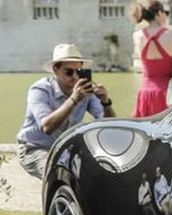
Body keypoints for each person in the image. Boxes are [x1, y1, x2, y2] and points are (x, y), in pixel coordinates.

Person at [15, 44, 115, 179]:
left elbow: (107, 125)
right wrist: (74, 99)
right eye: (69, 72)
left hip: (65, 148)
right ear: (56, 70)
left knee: (103, 169)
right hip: (34, 148)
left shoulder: (86, 91)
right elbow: (47, 127)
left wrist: (106, 102)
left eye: (78, 72)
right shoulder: (40, 89)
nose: (75, 77)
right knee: (58, 174)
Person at [131, 0, 172, 117]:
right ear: (158, 13)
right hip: (168, 94)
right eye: (165, 13)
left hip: (145, 92)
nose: (166, 16)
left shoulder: (137, 36)